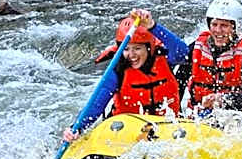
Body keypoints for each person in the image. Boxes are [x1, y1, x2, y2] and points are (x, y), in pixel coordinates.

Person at [62, 8, 188, 142]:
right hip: (126, 130)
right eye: (126, 49)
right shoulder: (118, 70)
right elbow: (96, 105)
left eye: (137, 48)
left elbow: (184, 52)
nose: (131, 55)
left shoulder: (164, 59)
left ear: (149, 48)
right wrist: (76, 128)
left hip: (167, 127)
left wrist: (152, 26)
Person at [175, 0, 242, 115]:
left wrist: (224, 99)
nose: (218, 30)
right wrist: (176, 115)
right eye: (214, 24)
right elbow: (177, 86)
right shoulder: (196, 48)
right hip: (197, 116)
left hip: (236, 117)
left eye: (224, 25)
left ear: (235, 27)